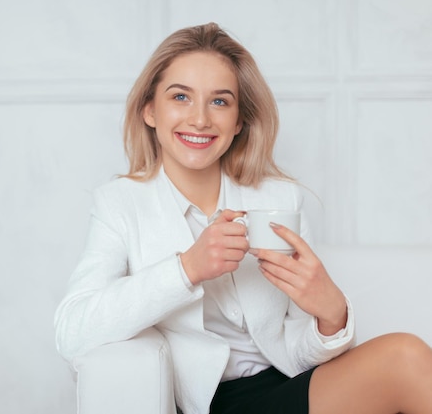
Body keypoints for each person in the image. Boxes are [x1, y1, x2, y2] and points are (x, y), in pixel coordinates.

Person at [54, 22, 432, 414]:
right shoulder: (120, 204)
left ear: (238, 122)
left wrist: (331, 316)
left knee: (406, 355)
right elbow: (72, 331)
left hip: (289, 387)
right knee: (403, 356)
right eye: (180, 97)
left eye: (219, 101)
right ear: (150, 110)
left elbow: (298, 353)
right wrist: (186, 270)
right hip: (210, 403)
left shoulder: (279, 198)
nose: (200, 119)